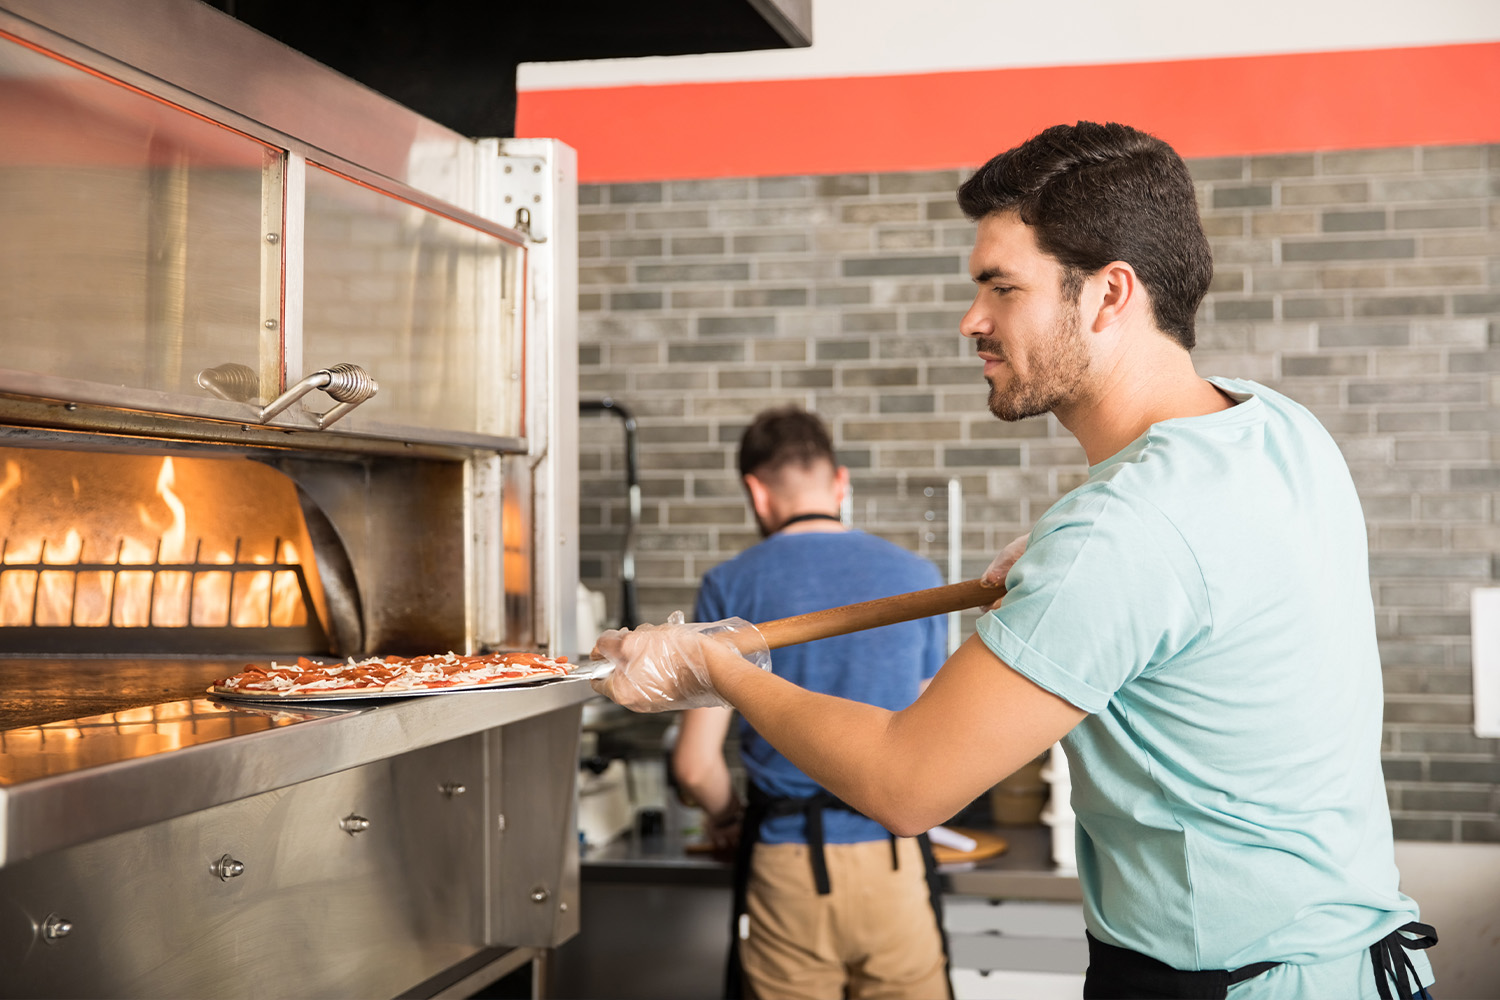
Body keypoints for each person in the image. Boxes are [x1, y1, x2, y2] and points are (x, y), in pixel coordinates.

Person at [592, 121, 1436, 1000]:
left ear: (1110, 295)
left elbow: (905, 784)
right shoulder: (1275, 427)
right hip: (1361, 963)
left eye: (1003, 288)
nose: (972, 321)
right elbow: (1205, 570)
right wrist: (1067, 545)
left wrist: (714, 663)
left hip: (1234, 984)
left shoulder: (1122, 535)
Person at [671, 405, 951, 1000]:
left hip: (786, 865)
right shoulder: (919, 577)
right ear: (840, 482)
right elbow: (935, 743)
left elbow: (694, 766)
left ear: (756, 491)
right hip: (894, 862)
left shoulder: (731, 585)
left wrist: (725, 819)